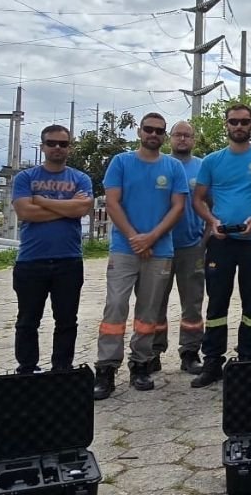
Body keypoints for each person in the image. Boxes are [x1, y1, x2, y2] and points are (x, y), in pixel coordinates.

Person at [190, 103, 251, 388]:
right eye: (234, 121)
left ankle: (248, 358)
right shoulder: (211, 161)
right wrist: (212, 221)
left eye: (244, 122)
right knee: (217, 303)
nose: (239, 126)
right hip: (221, 243)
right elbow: (198, 199)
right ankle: (212, 362)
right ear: (226, 124)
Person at [92, 113, 187, 399]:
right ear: (139, 131)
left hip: (160, 249)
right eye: (149, 129)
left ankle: (141, 364)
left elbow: (178, 207)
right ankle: (106, 368)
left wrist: (152, 237)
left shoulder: (173, 166)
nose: (153, 134)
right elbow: (112, 201)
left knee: (148, 312)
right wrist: (135, 237)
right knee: (116, 307)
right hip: (124, 248)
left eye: (159, 130)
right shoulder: (121, 162)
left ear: (164, 134)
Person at [10, 125, 94, 374]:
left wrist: (42, 201)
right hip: (31, 261)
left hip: (69, 260)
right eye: (52, 143)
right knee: (27, 321)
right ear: (42, 145)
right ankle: (27, 368)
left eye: (63, 144)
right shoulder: (25, 177)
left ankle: (61, 368)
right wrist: (66, 207)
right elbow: (25, 212)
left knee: (67, 321)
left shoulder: (80, 178)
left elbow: (81, 210)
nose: (57, 148)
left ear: (70, 147)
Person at [152, 120, 207, 375]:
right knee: (155, 303)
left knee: (193, 303)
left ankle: (190, 352)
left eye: (187, 135)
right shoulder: (158, 164)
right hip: (160, 247)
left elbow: (213, 205)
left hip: (191, 246)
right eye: (178, 135)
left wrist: (205, 238)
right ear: (169, 138)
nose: (182, 139)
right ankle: (152, 351)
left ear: (194, 140)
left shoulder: (202, 167)